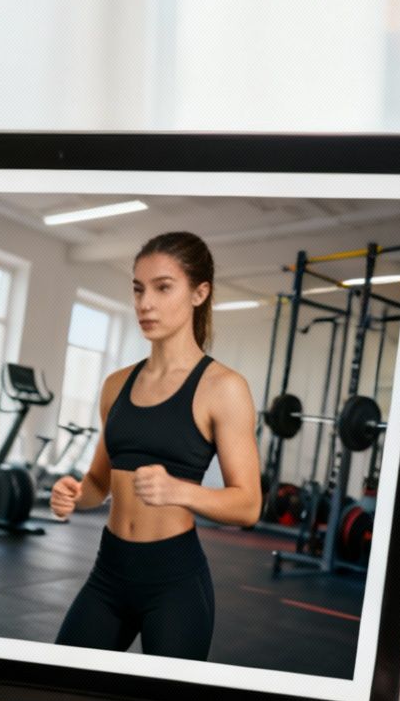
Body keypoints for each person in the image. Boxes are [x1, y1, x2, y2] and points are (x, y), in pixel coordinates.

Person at [49, 231, 262, 661]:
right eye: (138, 289)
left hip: (174, 581)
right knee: (55, 690)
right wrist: (73, 493)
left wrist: (180, 491)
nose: (145, 303)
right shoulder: (116, 385)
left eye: (163, 288)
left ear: (200, 293)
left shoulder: (224, 388)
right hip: (108, 572)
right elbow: (98, 481)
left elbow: (248, 506)